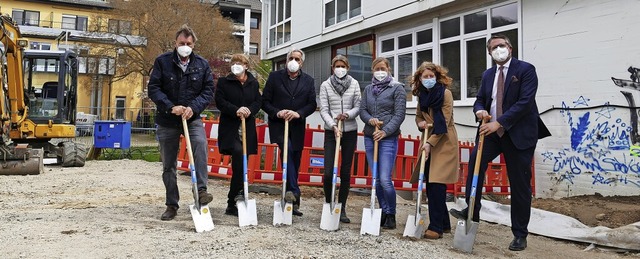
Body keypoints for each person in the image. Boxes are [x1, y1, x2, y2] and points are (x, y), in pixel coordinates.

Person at [449, 34, 551, 250]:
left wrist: (500, 122)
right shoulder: (487, 75)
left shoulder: (526, 70)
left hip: (518, 133)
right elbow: (480, 99)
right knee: (475, 164)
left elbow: (525, 102)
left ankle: (520, 234)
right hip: (491, 133)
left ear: (510, 48)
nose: (498, 49)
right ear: (489, 53)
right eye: (493, 47)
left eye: (501, 45)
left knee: (519, 184)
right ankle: (471, 212)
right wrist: (479, 110)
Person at [148, 24, 215, 221]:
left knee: (200, 149)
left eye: (188, 43)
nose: (185, 46)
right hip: (167, 119)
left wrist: (193, 107)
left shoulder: (202, 65)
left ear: (194, 44)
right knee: (169, 164)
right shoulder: (162, 62)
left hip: (191, 118)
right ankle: (171, 204)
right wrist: (170, 106)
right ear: (175, 44)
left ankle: (201, 192)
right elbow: (154, 88)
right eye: (181, 43)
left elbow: (208, 90)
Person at [262, 48, 317, 216]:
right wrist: (277, 112)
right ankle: (293, 191)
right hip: (280, 125)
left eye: (297, 59)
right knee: (287, 150)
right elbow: (265, 101)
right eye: (291, 58)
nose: (294, 61)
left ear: (302, 62)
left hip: (297, 126)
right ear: (286, 60)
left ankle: (292, 202)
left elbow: (311, 104)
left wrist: (298, 113)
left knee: (294, 159)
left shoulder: (308, 81)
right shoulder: (274, 77)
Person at [412, 62, 459, 239]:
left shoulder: (445, 93)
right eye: (426, 76)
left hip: (444, 140)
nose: (429, 79)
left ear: (437, 77)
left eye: (432, 76)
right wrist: (420, 123)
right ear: (420, 78)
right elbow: (418, 116)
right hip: (429, 138)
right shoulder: (421, 95)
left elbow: (443, 122)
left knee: (437, 183)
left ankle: (436, 227)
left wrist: (430, 144)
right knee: (431, 183)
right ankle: (445, 224)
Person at [359, 57, 406, 229]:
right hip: (370, 137)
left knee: (385, 179)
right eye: (376, 69)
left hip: (388, 138)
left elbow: (399, 114)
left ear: (388, 69)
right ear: (373, 70)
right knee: (376, 179)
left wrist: (385, 131)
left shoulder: (397, 88)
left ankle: (391, 213)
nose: (380, 72)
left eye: (383, 68)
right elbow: (362, 109)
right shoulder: (368, 89)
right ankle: (383, 211)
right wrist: (370, 120)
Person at [214, 54, 262, 216]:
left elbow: (257, 102)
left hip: (246, 129)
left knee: (242, 167)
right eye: (233, 63)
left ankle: (234, 200)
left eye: (239, 63)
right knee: (239, 163)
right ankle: (232, 200)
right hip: (231, 129)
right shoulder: (224, 82)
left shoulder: (253, 83)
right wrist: (236, 110)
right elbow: (220, 101)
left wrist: (249, 110)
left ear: (246, 66)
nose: (235, 65)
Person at [319, 55, 361, 223]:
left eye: (343, 65)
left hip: (350, 130)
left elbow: (358, 105)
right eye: (337, 65)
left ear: (347, 67)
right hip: (332, 131)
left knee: (345, 171)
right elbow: (324, 109)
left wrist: (348, 115)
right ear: (332, 67)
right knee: (329, 172)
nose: (340, 68)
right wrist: (333, 125)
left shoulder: (355, 84)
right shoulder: (326, 85)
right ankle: (329, 203)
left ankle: (341, 207)